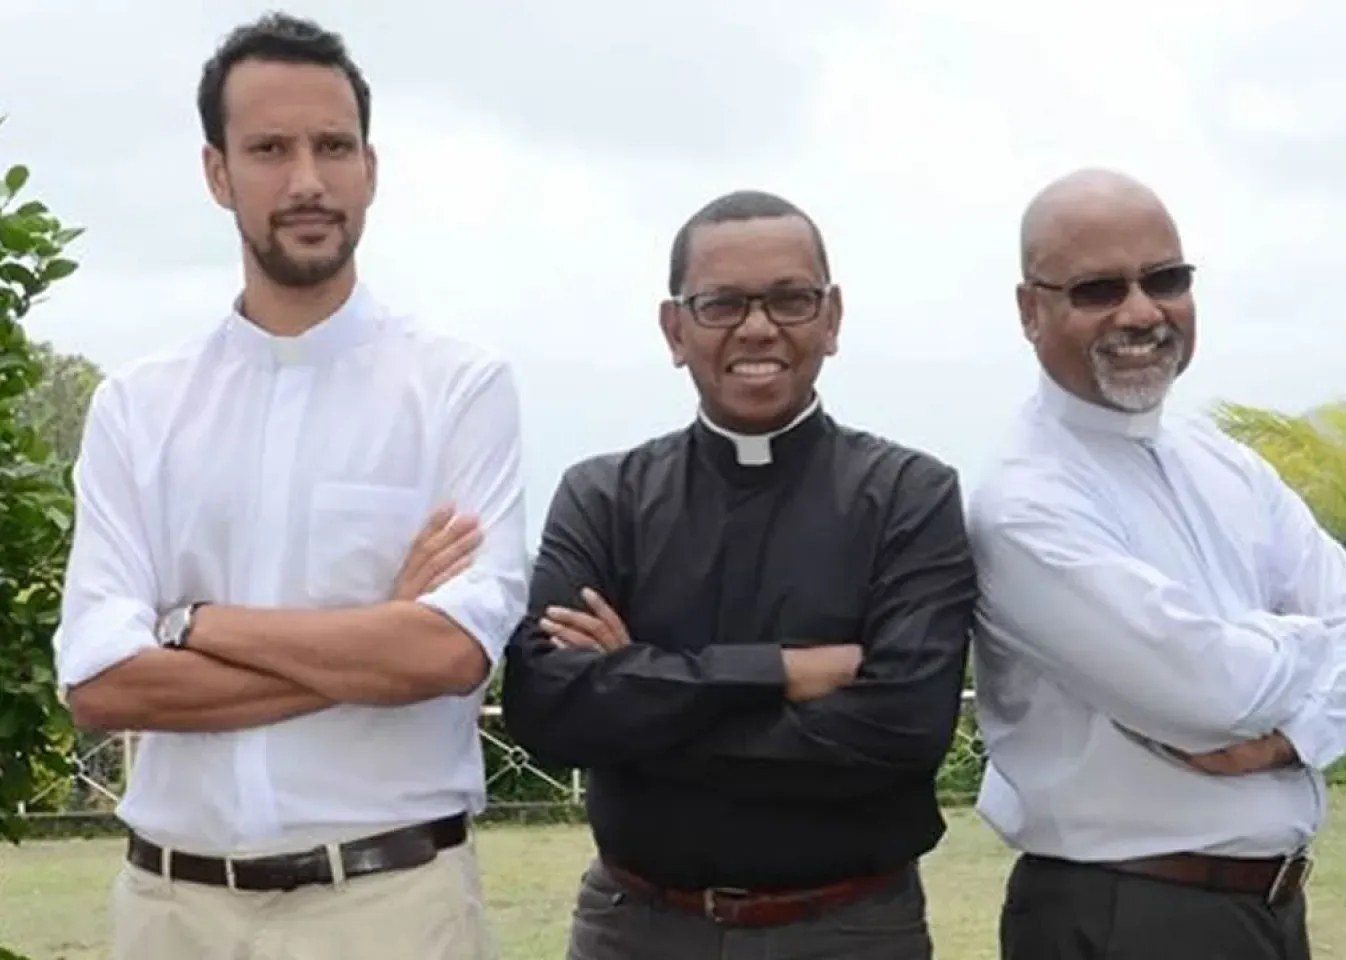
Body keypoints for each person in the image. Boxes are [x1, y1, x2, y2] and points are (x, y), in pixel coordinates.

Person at [51, 14, 528, 960]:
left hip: (390, 907)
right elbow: (101, 684)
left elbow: (444, 657)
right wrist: (367, 636)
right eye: (270, 149)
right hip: (170, 912)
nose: (308, 179)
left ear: (371, 168)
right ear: (218, 173)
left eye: (333, 147)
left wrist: (195, 624)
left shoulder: (458, 389)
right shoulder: (138, 410)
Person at [499, 189, 977, 959]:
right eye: (721, 303)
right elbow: (549, 709)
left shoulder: (908, 496)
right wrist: (780, 673)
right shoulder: (604, 496)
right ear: (675, 328)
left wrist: (637, 695)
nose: (758, 327)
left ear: (832, 317)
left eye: (790, 299)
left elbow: (903, 732)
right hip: (637, 927)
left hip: (850, 930)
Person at [966, 168, 1346, 960]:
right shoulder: (1024, 503)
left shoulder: (1224, 463)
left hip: (1266, 911)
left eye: (1165, 279)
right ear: (1032, 310)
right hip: (1124, 914)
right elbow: (1210, 693)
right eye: (1098, 289)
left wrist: (1282, 736)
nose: (1141, 311)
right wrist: (1308, 642)